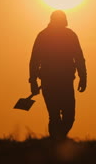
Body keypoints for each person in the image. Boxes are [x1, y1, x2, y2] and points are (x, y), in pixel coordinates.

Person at [29, 10, 87, 139]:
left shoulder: (69, 35)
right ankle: (57, 143)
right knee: (55, 115)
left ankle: (57, 139)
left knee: (69, 116)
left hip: (65, 81)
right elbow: (35, 60)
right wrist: (32, 81)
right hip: (50, 82)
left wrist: (83, 77)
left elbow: (78, 57)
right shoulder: (43, 36)